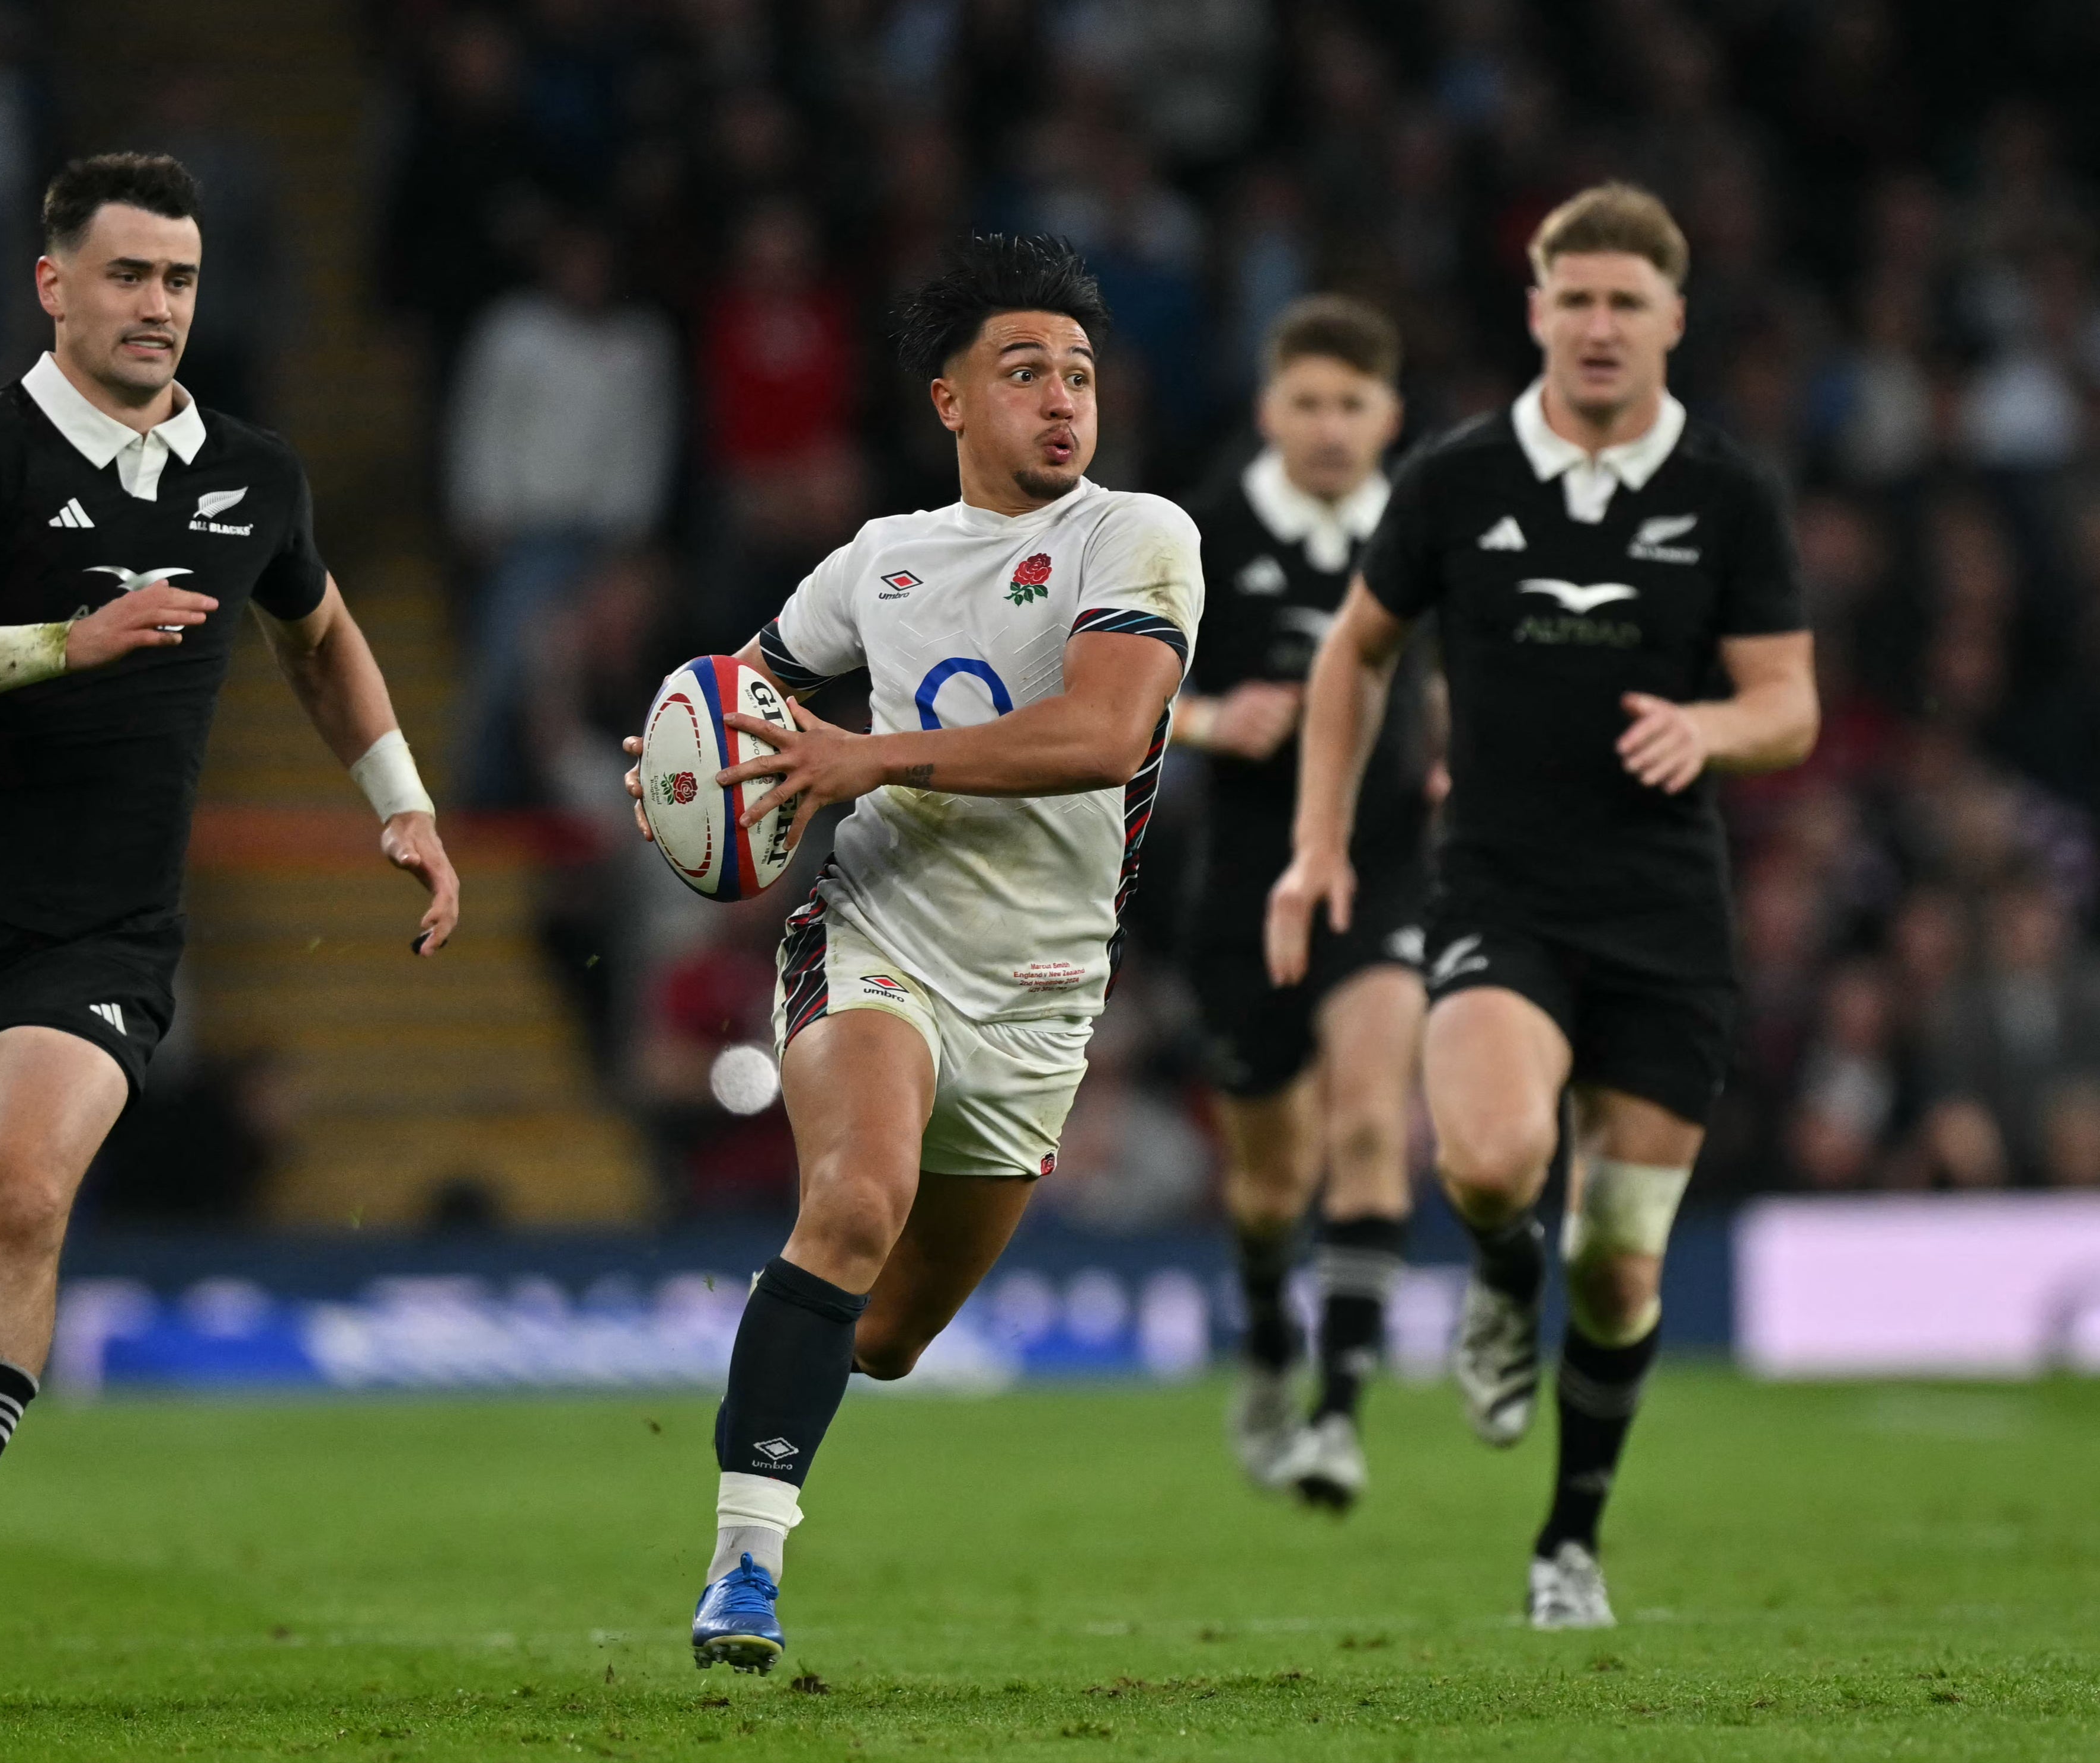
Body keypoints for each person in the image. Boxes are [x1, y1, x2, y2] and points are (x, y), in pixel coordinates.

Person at [0, 152, 460, 1687]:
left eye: (178, 278)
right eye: (128, 275)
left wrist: (404, 799)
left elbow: (320, 635)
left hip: (100, 938)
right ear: (55, 287)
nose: (159, 305)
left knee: (28, 1198)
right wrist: (70, 639)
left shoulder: (255, 473)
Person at [623, 233, 1204, 1672]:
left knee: (885, 1338)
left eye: (1078, 373)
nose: (1062, 400)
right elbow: (749, 705)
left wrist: (865, 753)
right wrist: (682, 768)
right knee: (855, 1198)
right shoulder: (877, 566)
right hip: (877, 936)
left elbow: (1103, 737)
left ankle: (790, 1349)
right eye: (1024, 373)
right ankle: (742, 1572)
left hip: (1046, 993)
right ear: (950, 400)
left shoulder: (1135, 536)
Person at [1270, 183, 1817, 1628]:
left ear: (1673, 322)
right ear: (1536, 312)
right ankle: (1504, 1284)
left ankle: (1568, 1542)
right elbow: (1355, 660)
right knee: (1497, 1163)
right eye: (1573, 298)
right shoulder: (1454, 480)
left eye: (1625, 303)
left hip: (1666, 914)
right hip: (1500, 890)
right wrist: (1317, 843)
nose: (1597, 325)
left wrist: (1711, 731)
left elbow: (1790, 704)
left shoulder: (1728, 495)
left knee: (1627, 1266)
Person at [1173, 295, 1424, 1511]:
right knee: (1272, 1178)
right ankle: (1270, 1338)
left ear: (1389, 417)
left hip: (1383, 875)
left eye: (1353, 405)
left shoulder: (1424, 536)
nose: (1330, 427)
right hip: (1245, 889)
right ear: (1272, 411)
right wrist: (1216, 719)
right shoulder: (1204, 538)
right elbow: (1105, 696)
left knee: (1373, 1125)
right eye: (1309, 403)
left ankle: (1337, 1415)